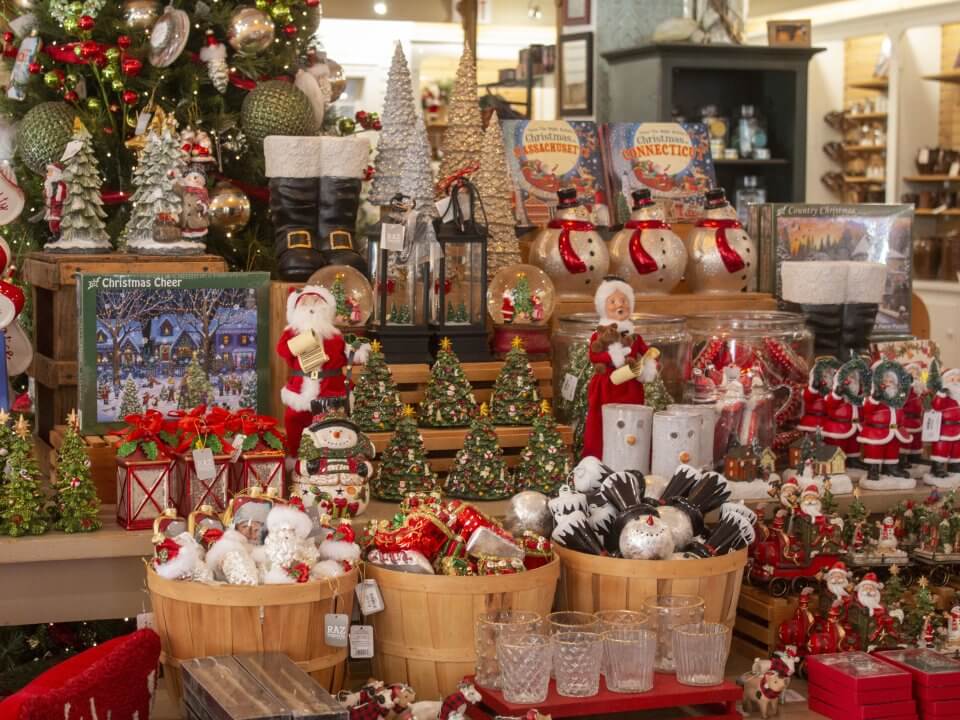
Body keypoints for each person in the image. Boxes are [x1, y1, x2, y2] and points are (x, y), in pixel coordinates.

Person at [581, 276, 657, 460]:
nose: (619, 304)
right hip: (606, 385)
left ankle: (634, 459)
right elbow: (594, 356)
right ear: (603, 306)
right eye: (613, 301)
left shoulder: (635, 337)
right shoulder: (599, 335)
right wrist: (612, 357)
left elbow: (647, 352)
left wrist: (649, 364)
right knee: (602, 423)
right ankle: (598, 459)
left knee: (632, 422)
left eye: (624, 300)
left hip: (630, 385)